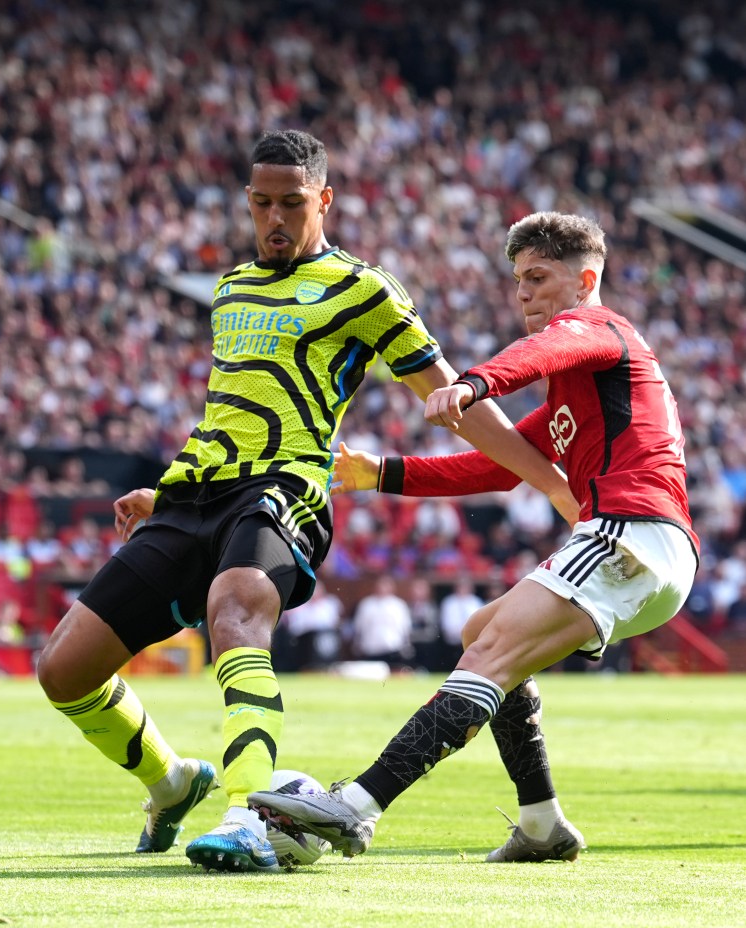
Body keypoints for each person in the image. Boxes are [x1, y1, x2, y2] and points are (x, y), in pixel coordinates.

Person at [36, 133, 575, 874]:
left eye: (293, 202)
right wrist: (163, 487)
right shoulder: (230, 290)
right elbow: (231, 407)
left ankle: (246, 813)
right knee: (63, 670)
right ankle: (171, 781)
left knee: (236, 608)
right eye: (262, 203)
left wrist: (543, 475)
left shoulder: (364, 289)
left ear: (324, 200)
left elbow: (451, 398)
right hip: (195, 492)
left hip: (285, 487)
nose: (276, 218)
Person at [248, 210, 700, 861]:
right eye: (519, 279)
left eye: (539, 277)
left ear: (585, 280)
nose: (524, 293)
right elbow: (499, 465)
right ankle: (542, 822)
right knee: (478, 634)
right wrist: (382, 471)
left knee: (484, 654)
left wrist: (473, 382)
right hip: (645, 547)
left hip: (631, 533)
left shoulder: (597, 328)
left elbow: (548, 347)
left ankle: (354, 806)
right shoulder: (582, 385)